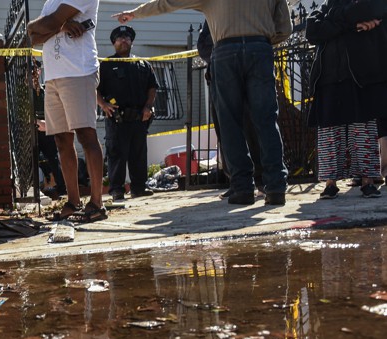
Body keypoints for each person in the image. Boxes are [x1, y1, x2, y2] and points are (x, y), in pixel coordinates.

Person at [114, 0, 291, 206]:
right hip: (260, 48)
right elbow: (285, 29)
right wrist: (260, 41)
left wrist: (136, 13)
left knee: (230, 124)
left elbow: (169, 3)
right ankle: (276, 187)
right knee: (267, 119)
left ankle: (243, 187)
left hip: (226, 50)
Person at [28, 0, 108, 223]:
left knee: (86, 135)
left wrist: (45, 25)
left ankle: (97, 203)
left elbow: (46, 24)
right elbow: (34, 38)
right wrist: (59, 26)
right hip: (53, 77)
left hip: (79, 71)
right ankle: (73, 201)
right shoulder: (50, 2)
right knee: (62, 140)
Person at [306, 0, 387, 199]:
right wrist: (352, 25)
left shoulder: (358, 6)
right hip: (328, 78)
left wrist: (335, 21)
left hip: (358, 76)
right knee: (329, 134)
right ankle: (330, 184)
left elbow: (374, 8)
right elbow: (312, 30)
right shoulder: (325, 8)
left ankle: (368, 181)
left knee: (363, 129)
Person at [197, 21, 264, 199]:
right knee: (225, 132)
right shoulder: (211, 15)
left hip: (242, 76)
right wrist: (218, 56)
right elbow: (202, 44)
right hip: (218, 76)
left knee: (251, 131)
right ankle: (236, 181)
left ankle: (260, 179)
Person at [97, 25, 157, 201]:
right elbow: (95, 88)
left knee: (138, 153)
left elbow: (152, 87)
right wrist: (103, 104)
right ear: (113, 43)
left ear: (131, 41)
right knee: (116, 154)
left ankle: (139, 187)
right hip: (117, 119)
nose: (123, 40)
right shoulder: (106, 65)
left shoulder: (143, 64)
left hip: (139, 117)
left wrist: (148, 106)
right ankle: (117, 190)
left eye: (127, 38)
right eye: (119, 38)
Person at [32, 60, 67, 198]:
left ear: (40, 71)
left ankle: (63, 189)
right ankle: (33, 192)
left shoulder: (44, 90)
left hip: (46, 129)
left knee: (53, 159)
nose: (33, 72)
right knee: (31, 162)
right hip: (30, 132)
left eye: (36, 69)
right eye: (30, 69)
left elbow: (54, 109)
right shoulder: (21, 92)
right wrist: (35, 121)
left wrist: (47, 123)